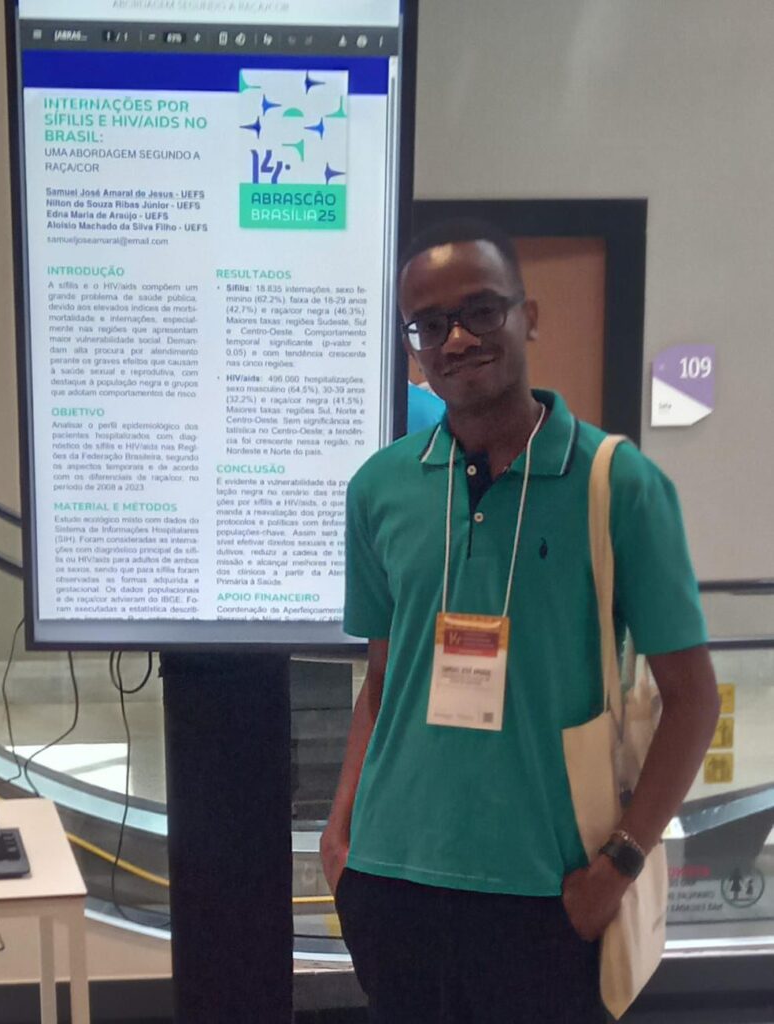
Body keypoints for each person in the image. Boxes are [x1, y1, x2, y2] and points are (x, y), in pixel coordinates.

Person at [321, 218, 720, 1023]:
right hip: (392, 885)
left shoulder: (619, 485)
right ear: (413, 348)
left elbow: (692, 700)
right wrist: (342, 839)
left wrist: (618, 866)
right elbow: (382, 680)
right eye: (429, 325)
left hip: (549, 891)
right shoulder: (379, 489)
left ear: (526, 316)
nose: (456, 339)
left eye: (480, 310)